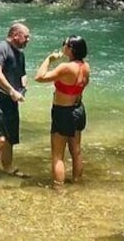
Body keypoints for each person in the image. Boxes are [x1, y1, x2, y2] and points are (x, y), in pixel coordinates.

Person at [34, 35, 90, 188]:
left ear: (70, 48)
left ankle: (58, 188)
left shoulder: (65, 67)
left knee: (58, 155)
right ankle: (77, 182)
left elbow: (39, 77)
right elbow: (85, 83)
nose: (63, 46)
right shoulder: (85, 66)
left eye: (64, 44)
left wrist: (49, 59)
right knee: (76, 151)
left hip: (63, 112)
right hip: (78, 109)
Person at [0, 22, 31, 182]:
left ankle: (7, 166)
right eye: (26, 36)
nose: (28, 40)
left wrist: (22, 90)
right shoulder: (0, 48)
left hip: (11, 102)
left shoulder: (20, 54)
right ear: (16, 35)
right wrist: (11, 91)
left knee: (10, 138)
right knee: (0, 138)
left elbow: (22, 75)